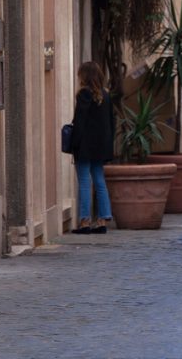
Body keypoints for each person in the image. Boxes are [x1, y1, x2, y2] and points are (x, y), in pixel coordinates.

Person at [70, 61, 115, 234]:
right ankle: (103, 219)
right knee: (99, 180)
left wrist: (74, 143)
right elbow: (111, 122)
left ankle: (85, 221)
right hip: (101, 145)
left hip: (85, 145)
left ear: (84, 76)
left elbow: (80, 121)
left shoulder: (83, 94)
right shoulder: (106, 95)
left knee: (83, 181)